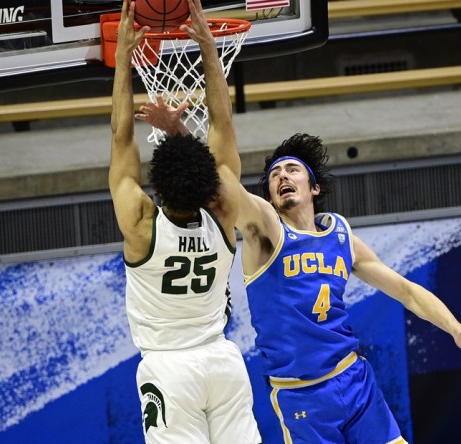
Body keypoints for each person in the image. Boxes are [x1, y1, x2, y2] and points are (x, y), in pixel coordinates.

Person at [142, 97, 461, 444]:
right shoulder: (266, 229)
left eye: (292, 169)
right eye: (274, 174)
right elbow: (220, 187)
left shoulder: (340, 235)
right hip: (302, 396)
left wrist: (456, 328)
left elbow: (405, 290)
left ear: (313, 187)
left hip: (354, 379)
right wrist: (178, 132)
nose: (282, 175)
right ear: (269, 195)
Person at [108, 0, 262, 443]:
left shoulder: (142, 224)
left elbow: (121, 137)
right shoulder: (223, 214)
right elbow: (223, 124)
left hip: (169, 368)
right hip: (222, 361)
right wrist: (210, 52)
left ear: (156, 186)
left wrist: (122, 59)